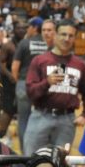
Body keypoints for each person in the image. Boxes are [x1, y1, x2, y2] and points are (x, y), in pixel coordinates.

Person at [24, 20, 85, 155]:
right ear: (55, 35)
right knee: (31, 158)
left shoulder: (80, 65)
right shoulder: (40, 61)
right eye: (63, 34)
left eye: (70, 36)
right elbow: (30, 91)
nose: (66, 39)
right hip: (41, 116)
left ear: (74, 38)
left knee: (60, 161)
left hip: (67, 120)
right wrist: (47, 82)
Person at [12, 18, 51, 152]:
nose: (27, 29)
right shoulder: (48, 45)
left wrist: (18, 83)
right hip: (43, 85)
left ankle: (25, 152)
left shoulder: (24, 43)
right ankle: (41, 151)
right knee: (44, 118)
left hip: (24, 83)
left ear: (34, 28)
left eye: (29, 26)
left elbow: (15, 67)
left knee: (23, 119)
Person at [0, 21, 27, 143]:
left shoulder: (27, 44)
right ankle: (0, 136)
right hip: (8, 82)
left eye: (23, 28)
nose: (21, 30)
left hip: (24, 82)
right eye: (19, 28)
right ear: (14, 30)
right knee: (8, 111)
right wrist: (10, 76)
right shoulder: (8, 45)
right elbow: (0, 63)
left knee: (24, 111)